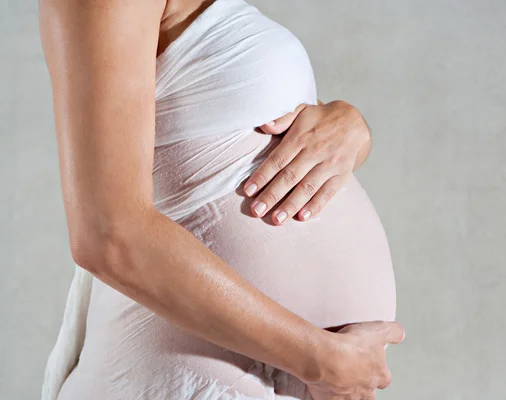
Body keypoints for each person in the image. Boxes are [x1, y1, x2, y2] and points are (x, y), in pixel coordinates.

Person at [39, 0, 403, 399]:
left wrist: (350, 130)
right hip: (177, 379)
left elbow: (241, 139)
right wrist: (320, 361)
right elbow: (109, 235)